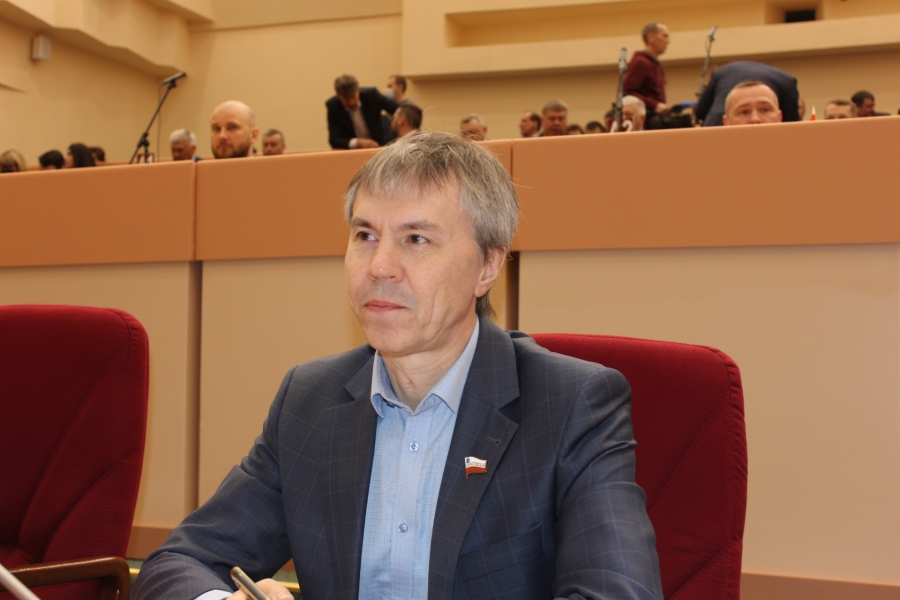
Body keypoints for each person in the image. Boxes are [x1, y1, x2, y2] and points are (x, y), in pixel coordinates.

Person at [132, 131, 663, 600]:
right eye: (365, 236)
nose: (380, 267)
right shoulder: (309, 400)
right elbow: (178, 564)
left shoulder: (571, 405)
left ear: (488, 265)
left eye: (416, 239)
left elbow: (618, 592)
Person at [696, 61, 799, 126]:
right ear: (726, 121)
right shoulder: (785, 80)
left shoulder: (721, 72)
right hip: (718, 129)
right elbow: (793, 124)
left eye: (765, 109)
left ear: (780, 116)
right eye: (745, 112)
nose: (755, 120)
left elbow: (700, 112)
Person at [327, 74, 400, 150]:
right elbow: (334, 140)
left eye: (353, 97)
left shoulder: (372, 95)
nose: (351, 102)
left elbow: (398, 109)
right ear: (339, 96)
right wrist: (358, 142)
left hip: (384, 145)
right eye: (346, 99)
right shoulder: (333, 106)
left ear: (358, 91)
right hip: (356, 152)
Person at [623, 22, 669, 129]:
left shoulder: (654, 64)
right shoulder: (640, 62)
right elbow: (627, 91)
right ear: (651, 37)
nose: (668, 41)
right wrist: (655, 105)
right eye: (664, 36)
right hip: (647, 123)